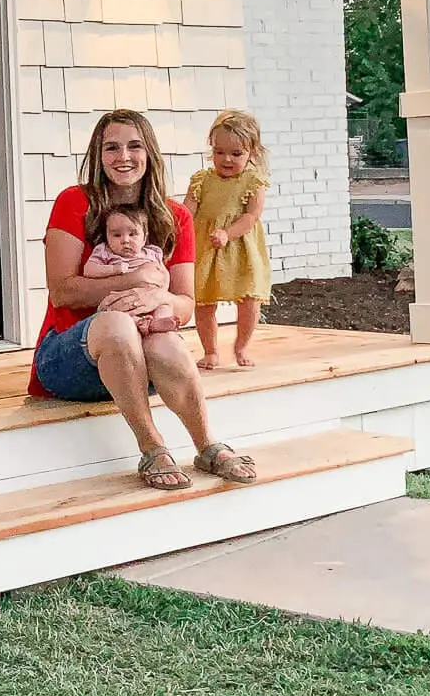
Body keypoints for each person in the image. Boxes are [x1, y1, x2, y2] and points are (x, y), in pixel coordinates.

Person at [30, 109, 257, 491]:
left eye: (134, 146)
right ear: (97, 157)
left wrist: (156, 296)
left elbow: (184, 302)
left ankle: (207, 446)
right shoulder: (74, 202)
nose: (124, 157)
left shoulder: (176, 216)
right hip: (67, 360)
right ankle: (153, 448)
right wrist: (135, 278)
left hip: (141, 366)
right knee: (118, 324)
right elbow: (62, 290)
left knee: (166, 338)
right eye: (111, 148)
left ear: (149, 152)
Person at [185, 110, 271, 370]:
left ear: (252, 153)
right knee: (204, 301)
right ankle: (210, 351)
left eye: (236, 153)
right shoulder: (201, 180)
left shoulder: (253, 182)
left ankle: (241, 345)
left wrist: (227, 233)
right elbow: (187, 211)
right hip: (207, 247)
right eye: (219, 152)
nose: (226, 159)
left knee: (249, 299)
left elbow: (251, 217)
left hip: (241, 248)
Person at [82, 207, 178, 334]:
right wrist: (113, 269)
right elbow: (89, 270)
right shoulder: (105, 251)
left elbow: (164, 273)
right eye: (116, 235)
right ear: (107, 236)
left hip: (150, 299)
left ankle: (157, 322)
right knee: (111, 311)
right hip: (120, 300)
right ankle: (139, 322)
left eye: (132, 234)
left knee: (165, 306)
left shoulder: (152, 253)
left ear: (144, 237)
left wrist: (160, 293)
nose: (125, 240)